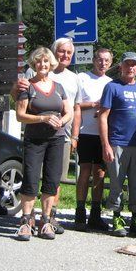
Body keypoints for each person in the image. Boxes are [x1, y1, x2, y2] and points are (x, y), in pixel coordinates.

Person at [13, 37, 82, 234]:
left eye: (45, 61)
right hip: (34, 139)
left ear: (50, 63)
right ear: (34, 64)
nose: (42, 65)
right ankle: (26, 221)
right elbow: (20, 115)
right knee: (31, 179)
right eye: (38, 61)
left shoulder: (58, 87)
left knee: (52, 181)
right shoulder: (28, 86)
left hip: (57, 139)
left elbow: (69, 111)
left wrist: (62, 120)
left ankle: (46, 220)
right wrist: (43, 119)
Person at [99, 52, 136, 238]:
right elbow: (103, 116)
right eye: (127, 64)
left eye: (133, 64)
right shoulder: (112, 87)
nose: (130, 67)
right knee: (116, 183)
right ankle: (117, 217)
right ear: (121, 66)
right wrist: (106, 144)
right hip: (117, 143)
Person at [71, 48, 113, 231]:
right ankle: (80, 211)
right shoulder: (82, 78)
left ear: (110, 63)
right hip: (85, 132)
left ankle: (96, 213)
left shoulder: (111, 82)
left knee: (100, 173)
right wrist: (95, 104)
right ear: (94, 60)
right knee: (85, 171)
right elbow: (75, 104)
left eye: (106, 61)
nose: (103, 63)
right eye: (100, 59)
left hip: (103, 135)